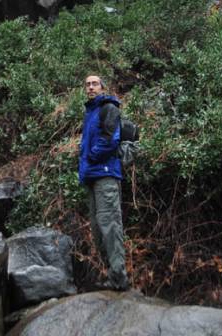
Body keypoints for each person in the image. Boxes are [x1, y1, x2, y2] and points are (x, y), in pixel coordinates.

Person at [79, 73, 129, 291]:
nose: (91, 87)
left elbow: (111, 140)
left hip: (106, 175)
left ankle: (119, 277)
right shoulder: (90, 112)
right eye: (87, 84)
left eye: (95, 84)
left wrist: (92, 156)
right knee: (98, 229)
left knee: (110, 225)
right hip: (92, 176)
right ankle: (112, 275)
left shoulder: (108, 107)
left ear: (102, 87)